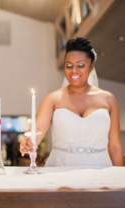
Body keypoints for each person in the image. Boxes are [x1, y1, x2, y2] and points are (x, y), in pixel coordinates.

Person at [20, 37, 123, 166]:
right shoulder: (52, 99)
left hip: (100, 170)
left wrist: (120, 180)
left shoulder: (108, 99)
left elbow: (115, 147)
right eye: (69, 66)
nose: (74, 70)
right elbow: (38, 129)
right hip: (61, 168)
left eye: (80, 65)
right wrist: (28, 141)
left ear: (91, 67)